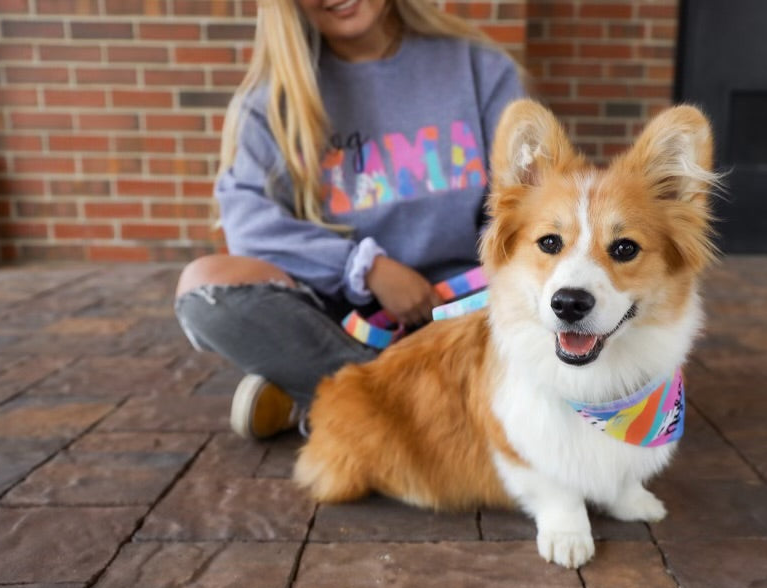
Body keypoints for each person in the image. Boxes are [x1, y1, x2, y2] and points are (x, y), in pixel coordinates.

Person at [174, 0, 525, 439]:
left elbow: (527, 201)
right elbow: (248, 225)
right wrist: (364, 268)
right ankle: (398, 408)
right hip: (340, 322)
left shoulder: (478, 68)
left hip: (464, 316)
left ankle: (321, 398)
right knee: (204, 286)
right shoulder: (275, 99)